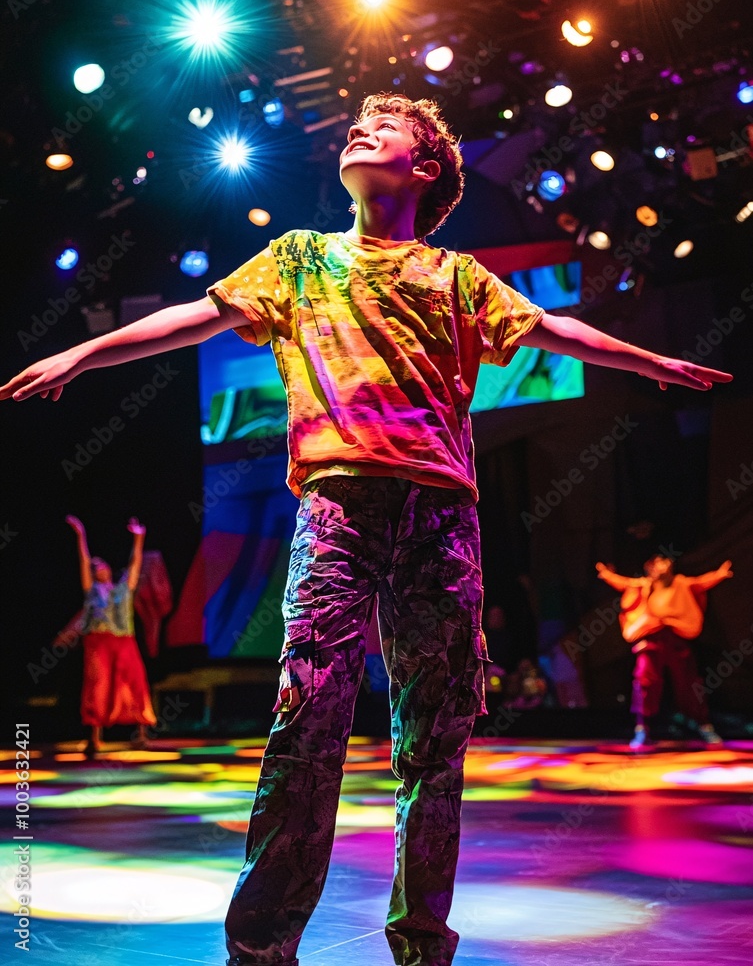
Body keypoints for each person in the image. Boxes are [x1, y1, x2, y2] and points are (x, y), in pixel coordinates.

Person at [1, 93, 732, 966]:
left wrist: (649, 361)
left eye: (383, 129)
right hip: (338, 510)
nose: (358, 130)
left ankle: (421, 940)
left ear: (424, 169)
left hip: (439, 518)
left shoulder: (455, 276)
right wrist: (85, 352)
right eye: (355, 125)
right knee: (304, 721)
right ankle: (262, 947)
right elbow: (192, 318)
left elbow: (553, 327)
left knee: (435, 737)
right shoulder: (298, 260)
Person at [596, 556, 733, 749]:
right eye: (657, 562)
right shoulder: (643, 586)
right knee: (644, 682)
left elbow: (701, 583)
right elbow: (623, 583)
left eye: (665, 561)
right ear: (650, 567)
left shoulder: (681, 584)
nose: (662, 565)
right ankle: (642, 730)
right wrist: (608, 575)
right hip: (651, 639)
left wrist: (719, 575)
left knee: (690, 684)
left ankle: (705, 726)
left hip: (676, 638)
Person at [64, 514, 157, 754]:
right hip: (98, 641)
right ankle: (94, 737)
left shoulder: (123, 590)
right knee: (97, 687)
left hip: (124, 640)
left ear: (107, 568)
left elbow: (135, 564)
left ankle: (142, 734)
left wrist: (139, 538)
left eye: (100, 563)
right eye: (94, 566)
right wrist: (80, 535)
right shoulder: (91, 591)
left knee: (135, 683)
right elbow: (83, 561)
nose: (97, 566)